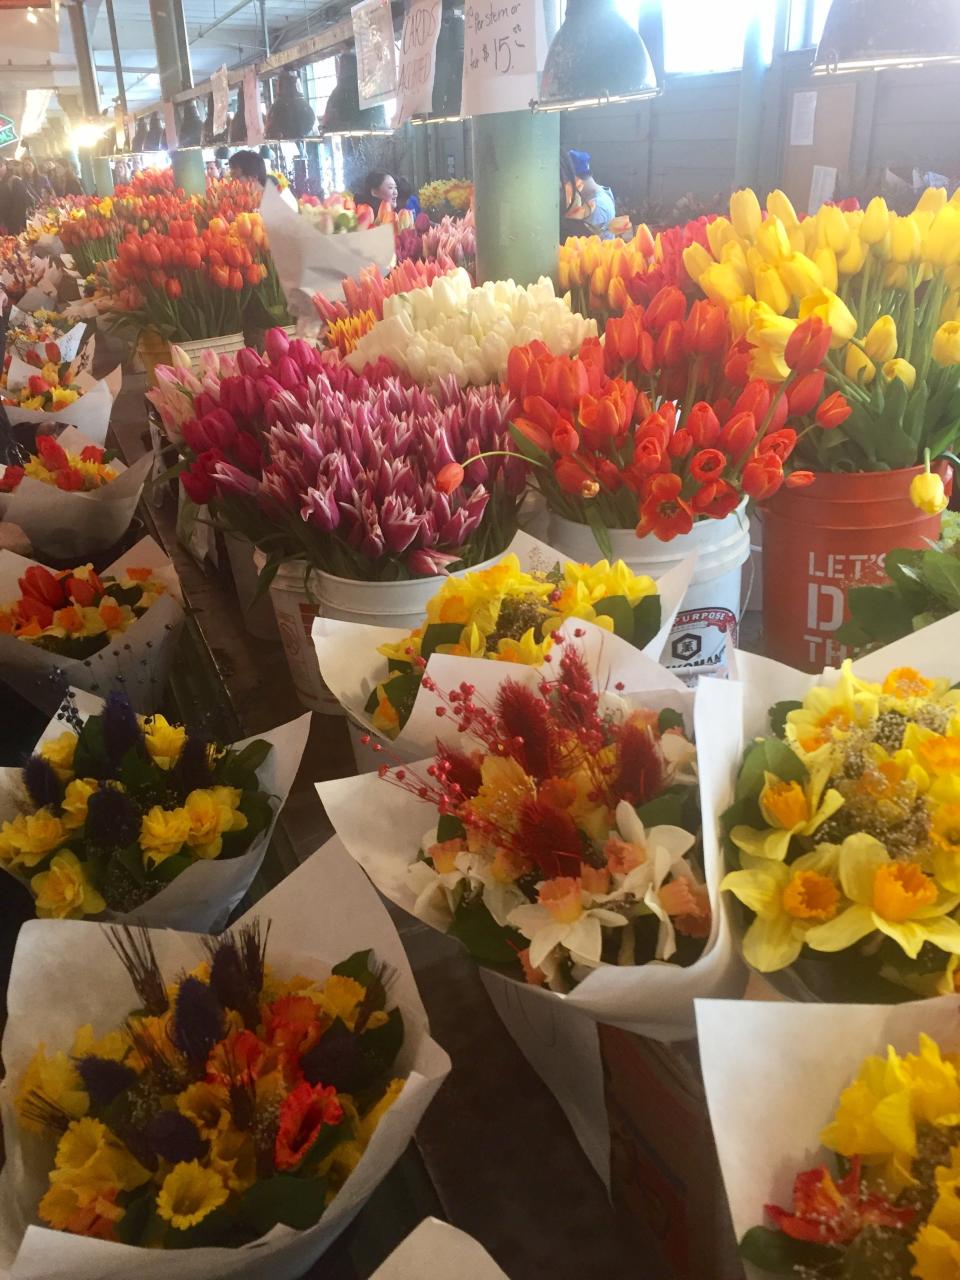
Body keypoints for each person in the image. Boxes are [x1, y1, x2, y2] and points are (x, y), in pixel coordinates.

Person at [563, 149, 617, 239]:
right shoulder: (603, 192)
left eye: (566, 181)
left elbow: (586, 245)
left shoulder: (597, 207)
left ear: (574, 179)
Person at [0, 159, 31, 233]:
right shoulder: (2, 182)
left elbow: (21, 207)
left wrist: (13, 229)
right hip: (5, 226)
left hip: (16, 227)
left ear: (4, 165)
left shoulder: (14, 181)